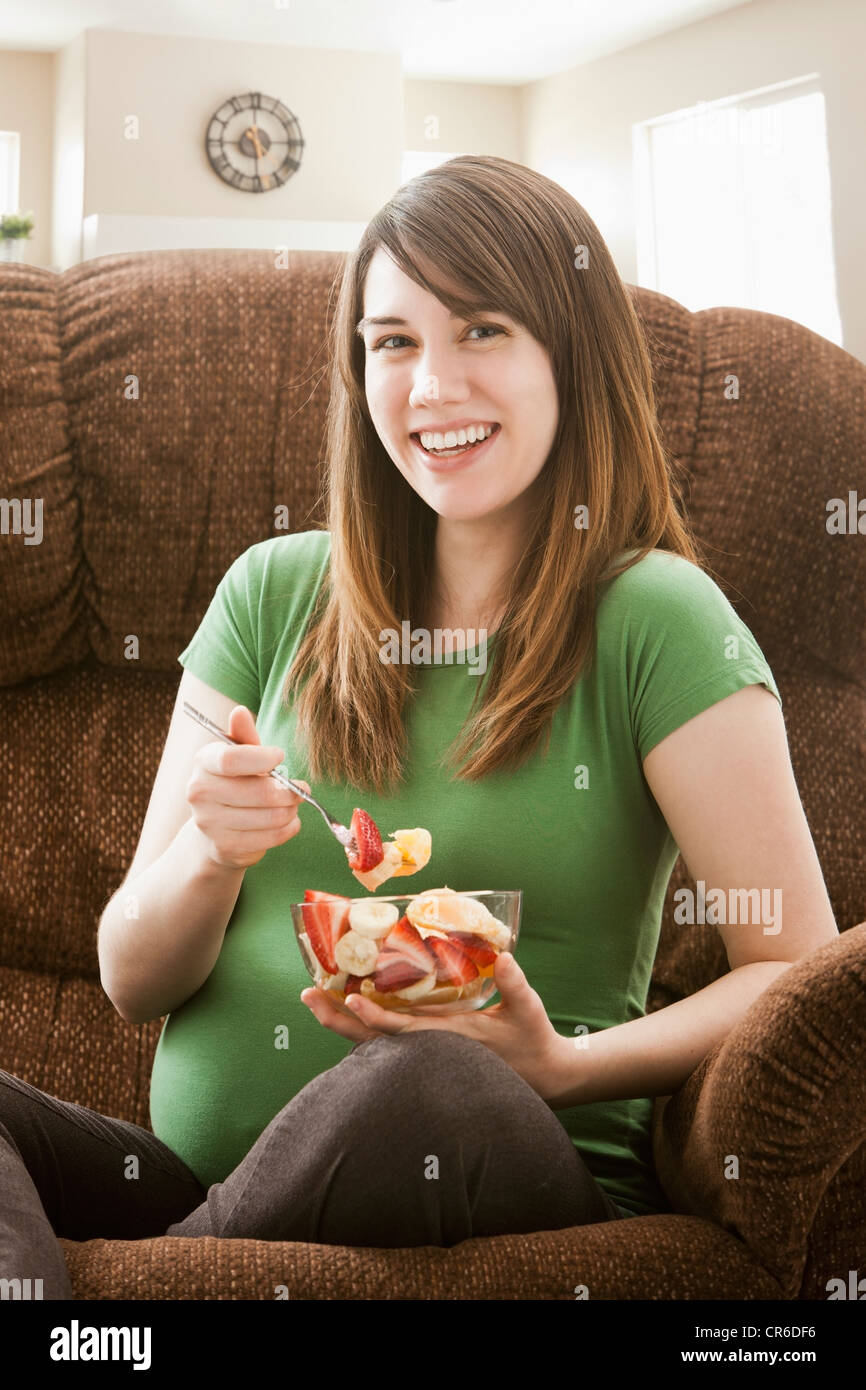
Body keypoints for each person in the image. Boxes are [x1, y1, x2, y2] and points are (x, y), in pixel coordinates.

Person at [0, 156, 839, 1299]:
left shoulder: (656, 618)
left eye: (480, 329)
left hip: (485, 1159)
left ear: (571, 357)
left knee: (423, 1075)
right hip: (203, 1178)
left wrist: (560, 1065)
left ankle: (142, 1293)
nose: (430, 384)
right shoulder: (270, 593)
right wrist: (206, 852)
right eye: (391, 342)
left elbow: (793, 968)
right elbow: (133, 979)